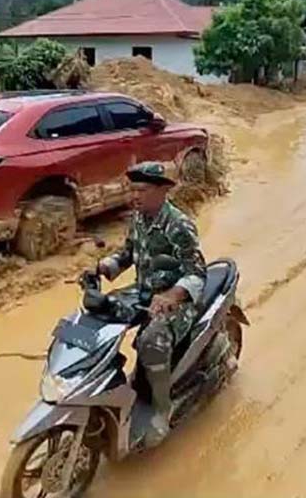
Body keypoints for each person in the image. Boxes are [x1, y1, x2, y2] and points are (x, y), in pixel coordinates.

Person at [94, 162, 206, 447]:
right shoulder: (139, 218)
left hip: (177, 300)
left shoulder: (178, 225)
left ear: (162, 190)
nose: (135, 195)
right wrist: (106, 266)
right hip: (144, 293)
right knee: (97, 317)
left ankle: (161, 408)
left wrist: (172, 296)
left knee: (151, 341)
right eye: (132, 189)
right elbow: (130, 252)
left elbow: (197, 272)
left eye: (142, 190)